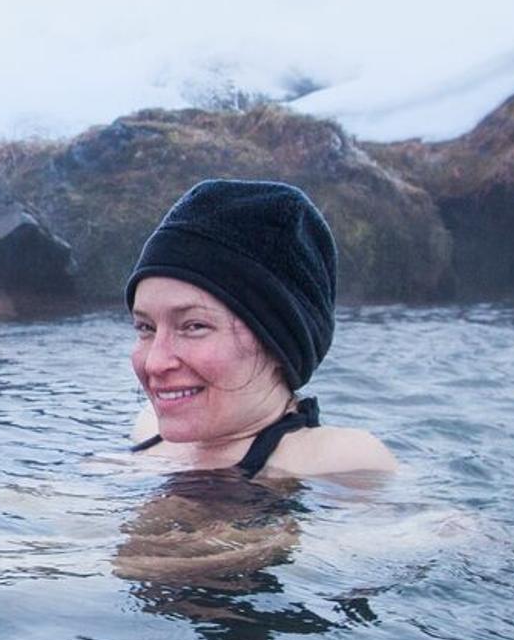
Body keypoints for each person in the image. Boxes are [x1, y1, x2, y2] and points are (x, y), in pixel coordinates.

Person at [117, 178, 397, 481]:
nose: (155, 363)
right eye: (145, 327)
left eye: (194, 326)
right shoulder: (149, 428)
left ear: (277, 343)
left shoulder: (334, 460)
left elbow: (423, 523)